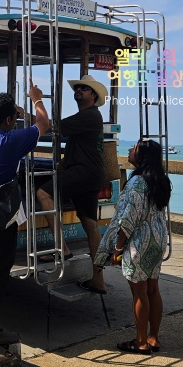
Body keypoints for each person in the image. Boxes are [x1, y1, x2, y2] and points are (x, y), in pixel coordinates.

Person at [0, 83, 50, 362]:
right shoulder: (11, 142)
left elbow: (2, 125)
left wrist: (10, 113)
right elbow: (44, 123)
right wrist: (36, 100)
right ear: (8, 120)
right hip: (3, 219)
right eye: (13, 117)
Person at [93, 139, 171, 354]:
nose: (129, 150)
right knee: (153, 289)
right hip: (157, 237)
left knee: (139, 293)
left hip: (140, 240)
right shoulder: (160, 180)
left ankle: (141, 342)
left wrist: (117, 248)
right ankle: (153, 337)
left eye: (134, 148)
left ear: (142, 156)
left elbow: (128, 219)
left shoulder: (137, 183)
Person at [36, 74, 109, 293]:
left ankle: (62, 249)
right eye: (77, 88)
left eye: (83, 89)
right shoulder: (87, 117)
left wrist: (34, 105)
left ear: (93, 95)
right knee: (90, 224)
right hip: (91, 174)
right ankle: (98, 279)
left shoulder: (90, 116)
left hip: (84, 173)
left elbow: (50, 126)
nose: (78, 91)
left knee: (42, 194)